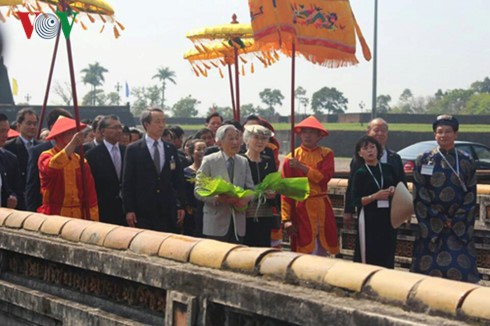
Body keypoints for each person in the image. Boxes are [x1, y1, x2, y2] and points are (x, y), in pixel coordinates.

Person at [411, 115, 480, 283]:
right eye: (439, 132)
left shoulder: (466, 159)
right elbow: (420, 192)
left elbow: (471, 193)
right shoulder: (424, 159)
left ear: (456, 134)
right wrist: (439, 217)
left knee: (461, 269)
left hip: (459, 224)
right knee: (427, 270)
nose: (443, 135)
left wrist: (456, 219)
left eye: (448, 132)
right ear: (435, 135)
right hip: (432, 222)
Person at [281, 116, 339, 256]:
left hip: (322, 205)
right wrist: (286, 219)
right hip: (301, 207)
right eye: (304, 132)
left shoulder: (326, 154)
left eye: (312, 132)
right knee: (304, 246)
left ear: (319, 136)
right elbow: (287, 191)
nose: (307, 135)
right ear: (300, 134)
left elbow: (324, 178)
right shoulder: (291, 158)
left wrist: (301, 167)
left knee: (323, 247)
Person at [122, 108, 187, 232]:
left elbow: (178, 179)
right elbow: (127, 181)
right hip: (143, 210)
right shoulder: (133, 149)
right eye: (157, 122)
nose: (162, 125)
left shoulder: (170, 148)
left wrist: (180, 205)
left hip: (167, 209)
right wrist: (129, 209)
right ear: (146, 124)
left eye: (163, 121)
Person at [195, 124, 254, 244]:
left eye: (237, 138)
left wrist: (245, 199)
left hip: (238, 223)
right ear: (219, 143)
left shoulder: (243, 162)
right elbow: (198, 190)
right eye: (231, 138)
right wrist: (217, 199)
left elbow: (251, 188)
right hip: (216, 223)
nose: (235, 142)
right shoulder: (209, 160)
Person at [344, 118, 406, 229]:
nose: (380, 133)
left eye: (384, 130)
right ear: (368, 132)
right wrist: (348, 211)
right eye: (376, 130)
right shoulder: (359, 159)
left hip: (391, 211)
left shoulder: (395, 158)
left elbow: (402, 184)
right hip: (367, 211)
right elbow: (352, 186)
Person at [38, 117, 99, 220]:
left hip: (78, 215)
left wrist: (93, 219)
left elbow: (90, 195)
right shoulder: (46, 156)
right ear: (60, 136)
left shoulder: (81, 161)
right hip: (53, 214)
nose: (76, 136)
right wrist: (72, 144)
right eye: (71, 133)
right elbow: (52, 167)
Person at [352, 136, 399, 268]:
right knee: (369, 252)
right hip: (369, 218)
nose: (370, 151)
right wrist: (374, 196)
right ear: (360, 153)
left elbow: (398, 186)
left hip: (388, 216)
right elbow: (356, 200)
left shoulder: (388, 169)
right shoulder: (360, 173)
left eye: (372, 147)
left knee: (387, 250)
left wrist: (393, 189)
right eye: (365, 149)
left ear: (378, 150)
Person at [25, 108, 72, 212]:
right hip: (46, 212)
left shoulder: (76, 151)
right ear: (53, 127)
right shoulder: (38, 152)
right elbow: (32, 186)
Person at [86, 115, 126, 225]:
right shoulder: (92, 155)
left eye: (120, 127)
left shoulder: (127, 152)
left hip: (125, 210)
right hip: (103, 209)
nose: (118, 131)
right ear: (103, 131)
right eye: (114, 128)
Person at [242, 124, 278, 247]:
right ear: (246, 139)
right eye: (256, 137)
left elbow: (274, 180)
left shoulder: (268, 160)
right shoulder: (240, 160)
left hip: (265, 212)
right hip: (245, 212)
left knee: (264, 246)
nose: (260, 141)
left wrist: (273, 192)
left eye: (263, 139)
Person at [4, 108, 40, 194]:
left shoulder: (42, 148)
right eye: (28, 123)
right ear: (19, 126)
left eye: (35, 124)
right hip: (18, 197)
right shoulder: (8, 147)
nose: (32, 127)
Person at [182, 139, 206, 236]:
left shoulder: (211, 172)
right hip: (192, 213)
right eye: (199, 149)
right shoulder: (186, 172)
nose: (202, 152)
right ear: (192, 153)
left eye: (204, 149)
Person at [0, 113, 22, 209]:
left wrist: (13, 197)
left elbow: (16, 189)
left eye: (7, 131)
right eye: (1, 131)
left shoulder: (10, 159)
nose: (6, 135)